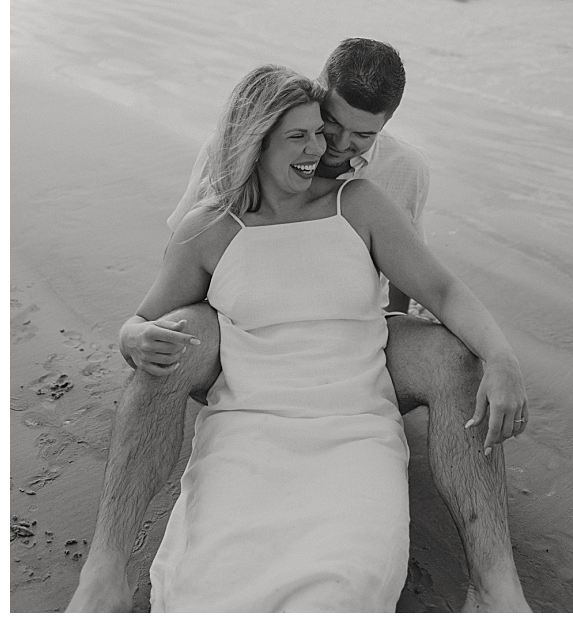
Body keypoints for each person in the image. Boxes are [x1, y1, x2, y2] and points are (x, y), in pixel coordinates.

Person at [68, 42, 531, 612]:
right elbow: (175, 284)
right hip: (244, 353)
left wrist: (496, 358)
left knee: (454, 357)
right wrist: (137, 334)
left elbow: (427, 291)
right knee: (173, 334)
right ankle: (105, 570)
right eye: (320, 128)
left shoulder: (379, 187)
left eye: (360, 136)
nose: (331, 147)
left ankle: (496, 588)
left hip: (353, 364)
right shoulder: (214, 201)